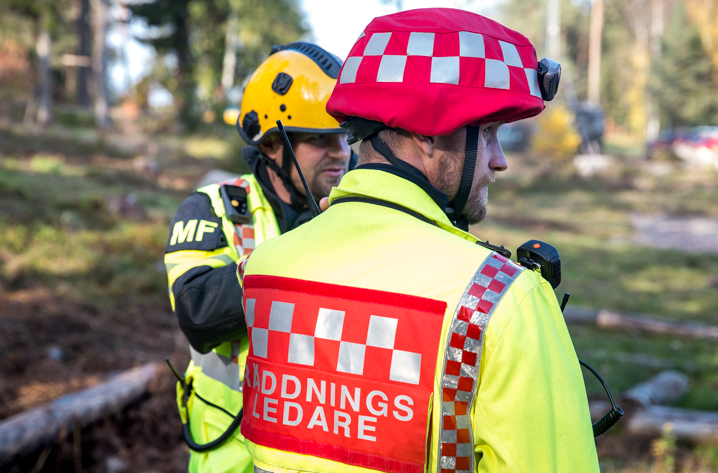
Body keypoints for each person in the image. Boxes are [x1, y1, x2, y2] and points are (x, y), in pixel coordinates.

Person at [237, 9, 600, 473]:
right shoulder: (499, 301)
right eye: (488, 132)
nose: (500, 160)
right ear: (427, 134)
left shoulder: (264, 269)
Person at [163, 42, 352, 473]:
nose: (341, 152)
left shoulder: (354, 214)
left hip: (322, 450)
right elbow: (198, 312)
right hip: (233, 455)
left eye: (345, 135)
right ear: (269, 144)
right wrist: (306, 250)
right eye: (320, 139)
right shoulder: (212, 208)